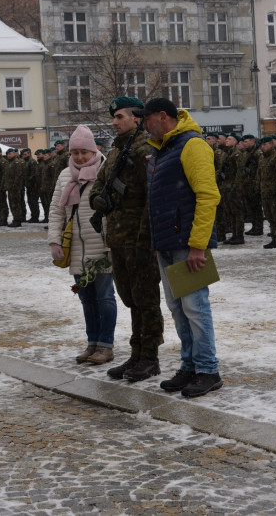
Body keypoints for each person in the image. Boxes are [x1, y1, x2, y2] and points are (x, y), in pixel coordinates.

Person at [135, 97, 223, 398]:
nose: (144, 125)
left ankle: (208, 370)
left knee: (195, 308)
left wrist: (198, 246)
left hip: (188, 245)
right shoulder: (163, 149)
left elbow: (208, 195)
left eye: (146, 119)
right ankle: (190, 365)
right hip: (168, 243)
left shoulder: (192, 145)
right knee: (178, 309)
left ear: (162, 116)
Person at [89, 97, 165, 382]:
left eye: (120, 116)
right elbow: (100, 183)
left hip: (139, 239)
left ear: (136, 118)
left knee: (146, 299)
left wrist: (146, 241)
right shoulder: (118, 150)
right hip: (118, 238)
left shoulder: (145, 149)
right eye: (114, 117)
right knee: (131, 298)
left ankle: (149, 357)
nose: (114, 122)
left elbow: (151, 199)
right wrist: (99, 198)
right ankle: (136, 354)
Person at [48, 125, 116, 365]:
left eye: (84, 152)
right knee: (86, 298)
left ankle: (106, 346)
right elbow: (57, 211)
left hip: (100, 245)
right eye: (75, 152)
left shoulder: (106, 170)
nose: (79, 157)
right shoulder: (65, 175)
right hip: (75, 246)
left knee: (105, 297)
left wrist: (112, 245)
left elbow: (113, 211)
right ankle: (92, 343)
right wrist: (55, 240)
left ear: (93, 150)